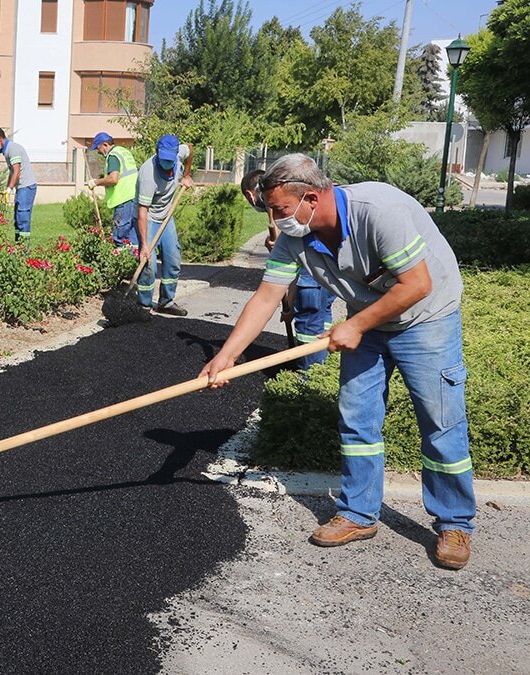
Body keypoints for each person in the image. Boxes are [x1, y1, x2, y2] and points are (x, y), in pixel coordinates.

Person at [200, 153, 475, 570]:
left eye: (279, 210)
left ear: (311, 197)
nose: (275, 220)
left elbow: (417, 284)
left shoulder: (380, 211)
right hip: (367, 320)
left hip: (426, 318)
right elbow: (267, 296)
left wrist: (355, 325)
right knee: (357, 417)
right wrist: (226, 356)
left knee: (440, 421)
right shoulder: (297, 236)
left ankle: (454, 522)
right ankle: (358, 513)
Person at [241, 168, 336, 370]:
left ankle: (308, 374)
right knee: (321, 319)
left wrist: (290, 304)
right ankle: (324, 366)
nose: (275, 214)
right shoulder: (291, 199)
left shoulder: (284, 215)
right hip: (328, 271)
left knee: (308, 326)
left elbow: (291, 269)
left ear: (251, 195)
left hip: (311, 275)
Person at [135, 134, 193, 316]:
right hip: (150, 217)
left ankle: (166, 302)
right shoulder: (147, 174)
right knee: (148, 262)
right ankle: (143, 305)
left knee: (173, 258)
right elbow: (142, 211)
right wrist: (144, 245)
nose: (166, 163)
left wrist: (186, 174)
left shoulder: (179, 154)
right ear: (157, 153)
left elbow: (190, 148)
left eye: (170, 159)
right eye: (163, 159)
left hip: (167, 217)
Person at [87, 132, 140, 251]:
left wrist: (96, 182)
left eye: (98, 148)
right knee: (133, 237)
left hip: (124, 199)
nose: (98, 152)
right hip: (134, 197)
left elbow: (113, 178)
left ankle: (122, 264)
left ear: (105, 145)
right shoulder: (124, 151)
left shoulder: (113, 156)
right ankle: (135, 265)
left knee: (120, 236)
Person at [0, 127, 37, 242]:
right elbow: (12, 172)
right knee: (17, 219)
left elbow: (17, 171)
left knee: (22, 218)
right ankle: (18, 246)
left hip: (27, 187)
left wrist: (9, 189)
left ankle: (23, 250)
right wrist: (7, 189)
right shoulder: (7, 151)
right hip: (21, 188)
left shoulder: (13, 149)